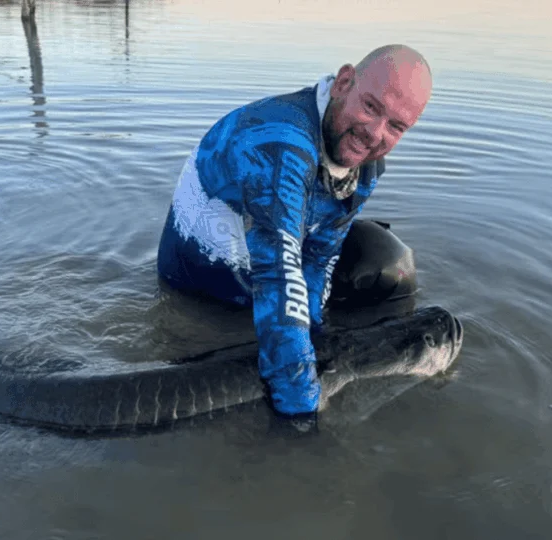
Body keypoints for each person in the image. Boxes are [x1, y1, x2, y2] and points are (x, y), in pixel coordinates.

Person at [156, 44, 433, 421]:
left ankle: (292, 348)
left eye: (396, 126)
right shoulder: (278, 144)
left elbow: (321, 254)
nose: (374, 134)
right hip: (205, 289)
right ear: (343, 83)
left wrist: (317, 338)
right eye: (370, 107)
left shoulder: (366, 166)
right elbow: (278, 275)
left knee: (386, 262)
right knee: (290, 378)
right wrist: (301, 414)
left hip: (271, 268)